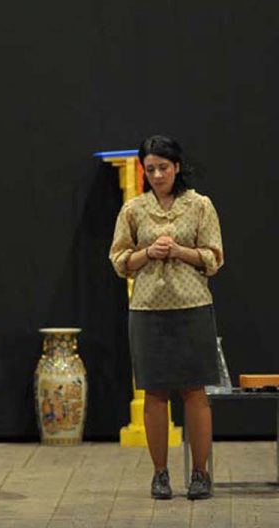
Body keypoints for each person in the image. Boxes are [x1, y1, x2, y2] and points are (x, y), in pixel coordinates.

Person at [109, 135, 224, 501]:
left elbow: (213, 258)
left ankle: (200, 473)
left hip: (193, 307)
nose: (157, 175)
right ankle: (160, 474)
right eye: (150, 169)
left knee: (194, 390)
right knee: (154, 391)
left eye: (163, 167)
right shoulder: (133, 210)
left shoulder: (200, 205)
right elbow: (119, 260)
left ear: (177, 167)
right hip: (147, 310)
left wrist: (178, 251)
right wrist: (148, 253)